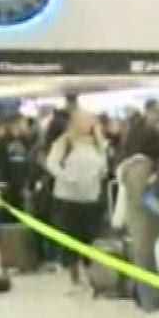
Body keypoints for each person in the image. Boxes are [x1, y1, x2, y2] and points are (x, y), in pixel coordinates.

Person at [44, 109, 111, 289]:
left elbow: (103, 164)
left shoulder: (97, 142)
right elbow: (51, 163)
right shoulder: (65, 142)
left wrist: (101, 171)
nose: (88, 125)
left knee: (90, 237)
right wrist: (65, 176)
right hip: (68, 197)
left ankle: (92, 276)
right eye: (84, 121)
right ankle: (74, 277)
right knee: (71, 237)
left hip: (90, 196)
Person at [111, 120, 159, 312]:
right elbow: (142, 196)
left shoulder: (131, 165)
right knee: (146, 262)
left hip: (138, 219)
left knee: (143, 260)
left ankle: (147, 297)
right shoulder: (140, 166)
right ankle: (149, 301)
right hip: (144, 221)